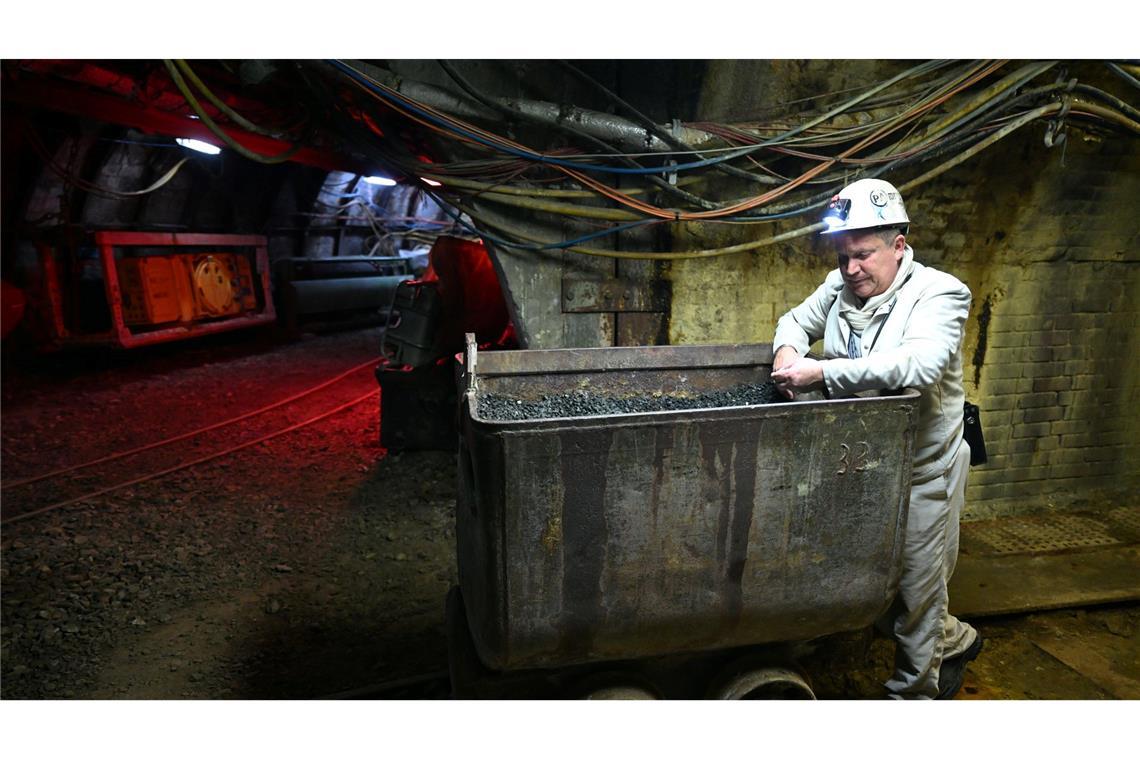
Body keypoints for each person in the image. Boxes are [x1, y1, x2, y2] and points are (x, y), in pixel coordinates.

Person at [769, 177, 983, 700]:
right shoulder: (839, 288)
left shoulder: (940, 294)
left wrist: (821, 373)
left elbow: (919, 364)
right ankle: (953, 639)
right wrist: (786, 353)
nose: (851, 269)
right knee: (868, 579)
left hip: (921, 472)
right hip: (864, 469)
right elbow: (794, 321)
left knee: (916, 590)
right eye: (843, 256)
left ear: (899, 246)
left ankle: (913, 694)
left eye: (863, 255)